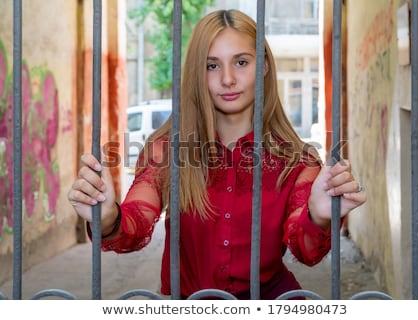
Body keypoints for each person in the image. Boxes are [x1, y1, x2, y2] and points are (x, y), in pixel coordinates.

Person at [67, 9, 366, 299]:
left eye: (241, 62)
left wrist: (319, 217)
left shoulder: (298, 162)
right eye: (212, 65)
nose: (227, 79)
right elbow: (135, 223)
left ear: (262, 67)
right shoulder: (166, 151)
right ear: (198, 72)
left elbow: (306, 250)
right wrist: (107, 218)